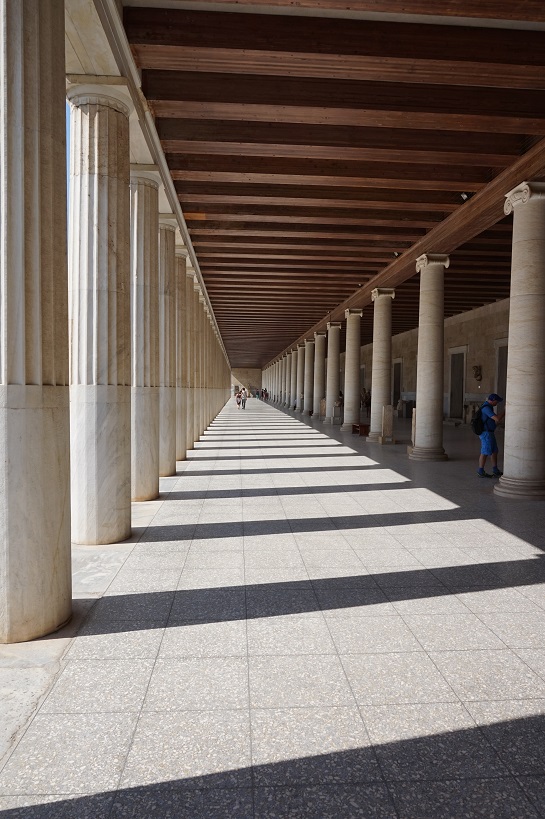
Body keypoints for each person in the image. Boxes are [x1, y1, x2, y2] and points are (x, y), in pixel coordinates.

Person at [477, 393, 504, 478]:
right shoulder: (486, 408)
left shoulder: (489, 407)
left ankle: (495, 470)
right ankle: (480, 471)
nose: (497, 403)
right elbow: (497, 419)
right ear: (493, 400)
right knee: (485, 452)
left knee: (494, 451)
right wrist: (505, 411)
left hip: (490, 432)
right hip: (486, 433)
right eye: (497, 401)